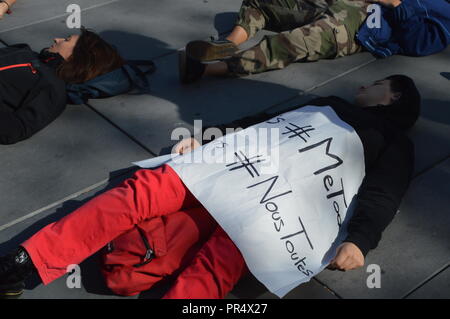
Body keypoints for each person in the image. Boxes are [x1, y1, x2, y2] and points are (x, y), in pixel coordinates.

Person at [0, 74, 420, 299]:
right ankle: (26, 261)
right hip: (232, 167)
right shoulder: (332, 104)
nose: (364, 85)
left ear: (394, 96)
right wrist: (210, 137)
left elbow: (385, 192)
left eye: (377, 84)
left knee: (219, 264)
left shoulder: (394, 142)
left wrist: (362, 240)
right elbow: (263, 122)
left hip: (283, 207)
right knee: (143, 190)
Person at [179, 0, 450, 83]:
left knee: (293, 43)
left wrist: (398, 4)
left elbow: (420, 43)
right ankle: (230, 41)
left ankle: (210, 69)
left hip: (364, 26)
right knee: (265, 2)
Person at [0, 27, 124, 144]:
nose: (56, 39)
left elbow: (14, 130)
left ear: (76, 57)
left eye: (66, 40)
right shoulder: (29, 54)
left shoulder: (54, 89)